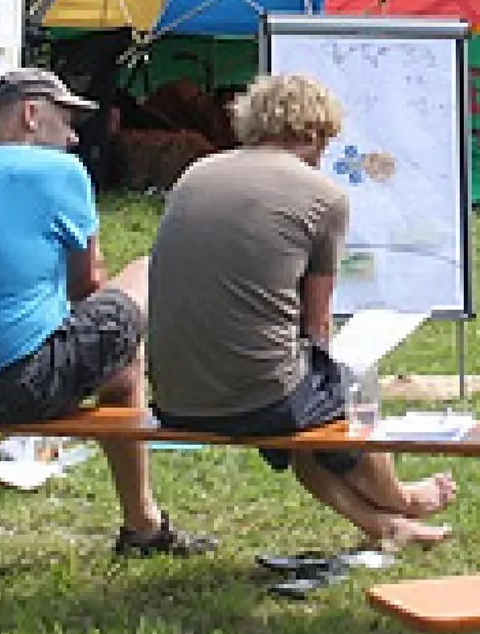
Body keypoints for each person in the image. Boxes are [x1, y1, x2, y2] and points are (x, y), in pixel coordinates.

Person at [0, 67, 214, 557]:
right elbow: (88, 285)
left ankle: (144, 520)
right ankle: (143, 523)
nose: (72, 138)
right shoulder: (59, 173)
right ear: (30, 114)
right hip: (14, 386)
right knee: (145, 277)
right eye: (66, 122)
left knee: (117, 354)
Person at [147, 74, 456, 552]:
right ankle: (402, 500)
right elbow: (317, 324)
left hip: (172, 394)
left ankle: (384, 527)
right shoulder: (323, 196)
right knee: (336, 395)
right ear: (313, 133)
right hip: (257, 397)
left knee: (301, 407)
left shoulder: (195, 174)